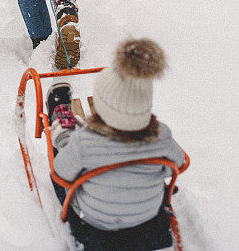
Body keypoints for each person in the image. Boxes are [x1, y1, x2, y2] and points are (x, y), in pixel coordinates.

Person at [46, 39, 186, 250]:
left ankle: (62, 125)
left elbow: (61, 174)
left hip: (95, 227)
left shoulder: (85, 142)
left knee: (63, 157)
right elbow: (178, 164)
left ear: (101, 107)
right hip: (147, 221)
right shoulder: (162, 136)